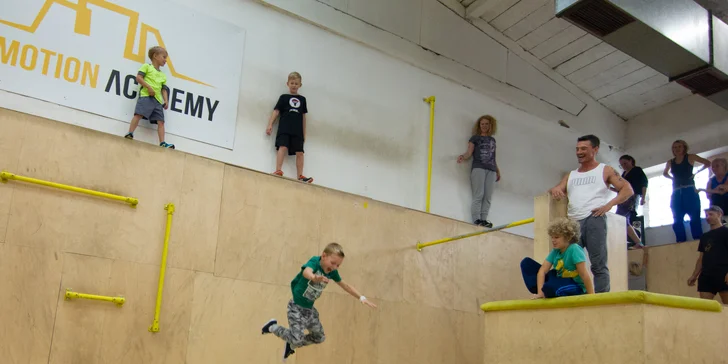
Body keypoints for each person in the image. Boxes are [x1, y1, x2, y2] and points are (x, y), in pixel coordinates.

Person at [261, 243, 376, 360]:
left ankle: (291, 344)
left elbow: (345, 286)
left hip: (309, 311)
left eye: (338, 265)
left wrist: (361, 297)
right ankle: (272, 327)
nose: (335, 267)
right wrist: (314, 278)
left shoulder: (332, 272)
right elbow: (306, 271)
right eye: (333, 263)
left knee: (319, 337)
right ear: (324, 256)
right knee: (297, 338)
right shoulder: (315, 262)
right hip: (296, 307)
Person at [549, 134, 634, 293]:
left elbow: (627, 189)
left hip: (594, 218)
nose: (579, 152)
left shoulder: (605, 170)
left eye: (584, 149)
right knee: (569, 263)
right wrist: (555, 190)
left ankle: (601, 300)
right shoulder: (571, 175)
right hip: (573, 223)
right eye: (577, 149)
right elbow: (557, 188)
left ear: (595, 149)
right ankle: (573, 296)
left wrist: (609, 205)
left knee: (598, 264)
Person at [520, 218, 594, 298]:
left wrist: (592, 295)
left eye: (556, 237)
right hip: (558, 280)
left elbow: (584, 274)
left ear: (568, 237)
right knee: (526, 263)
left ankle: (548, 290)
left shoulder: (574, 249)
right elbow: (542, 271)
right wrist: (540, 292)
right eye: (552, 237)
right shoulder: (555, 251)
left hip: (574, 284)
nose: (553, 240)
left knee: (549, 288)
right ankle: (545, 291)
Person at [266, 72, 313, 183]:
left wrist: (304, 133)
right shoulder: (283, 97)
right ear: (287, 84)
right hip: (285, 128)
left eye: (296, 83)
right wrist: (270, 124)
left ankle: (300, 175)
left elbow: (303, 117)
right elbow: (276, 111)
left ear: (300, 85)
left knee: (300, 152)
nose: (294, 85)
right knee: (282, 147)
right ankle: (278, 170)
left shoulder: (302, 100)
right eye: (292, 83)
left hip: (297, 131)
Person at [123, 46, 174, 149]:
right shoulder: (147, 67)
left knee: (161, 121)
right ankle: (130, 132)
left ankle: (162, 142)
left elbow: (163, 89)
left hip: (158, 101)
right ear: (155, 56)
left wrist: (166, 100)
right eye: (164, 57)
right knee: (139, 114)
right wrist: (148, 87)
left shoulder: (163, 76)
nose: (165, 60)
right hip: (146, 96)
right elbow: (139, 78)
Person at [457, 115, 501, 227]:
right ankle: (476, 219)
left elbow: (493, 156)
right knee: (479, 194)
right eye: (482, 124)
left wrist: (497, 170)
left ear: (490, 126)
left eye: (487, 124)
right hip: (479, 168)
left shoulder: (492, 140)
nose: (484, 126)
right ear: (479, 125)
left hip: (491, 169)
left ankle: (484, 219)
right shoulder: (474, 138)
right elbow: (469, 152)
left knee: (488, 196)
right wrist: (463, 156)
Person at [663, 140, 711, 242]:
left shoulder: (691, 157)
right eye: (674, 147)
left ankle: (698, 241)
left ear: (684, 147)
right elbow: (665, 173)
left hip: (689, 190)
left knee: (694, 218)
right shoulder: (670, 162)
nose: (677, 149)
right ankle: (681, 241)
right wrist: (672, 179)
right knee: (677, 220)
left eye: (679, 146)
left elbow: (707, 163)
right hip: (676, 192)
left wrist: (696, 173)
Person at [687, 206, 728, 303]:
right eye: (706, 215)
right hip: (706, 276)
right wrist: (694, 275)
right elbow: (701, 258)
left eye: (711, 214)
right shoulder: (705, 236)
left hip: (724, 274)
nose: (708, 217)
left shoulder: (726, 232)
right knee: (705, 307)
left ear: (719, 214)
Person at [612, 155, 648, 249]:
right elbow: (621, 189)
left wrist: (643, 197)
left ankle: (637, 242)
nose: (624, 166)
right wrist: (610, 188)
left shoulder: (637, 170)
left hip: (632, 197)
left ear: (631, 161)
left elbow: (644, 183)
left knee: (620, 219)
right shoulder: (624, 174)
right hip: (622, 198)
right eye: (621, 165)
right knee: (622, 221)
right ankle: (638, 243)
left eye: (625, 163)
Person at [704, 158, 728, 223]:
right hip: (716, 210)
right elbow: (708, 195)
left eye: (717, 166)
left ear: (724, 166)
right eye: (713, 167)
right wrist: (717, 188)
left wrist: (711, 190)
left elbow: (723, 191)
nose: (714, 169)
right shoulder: (711, 180)